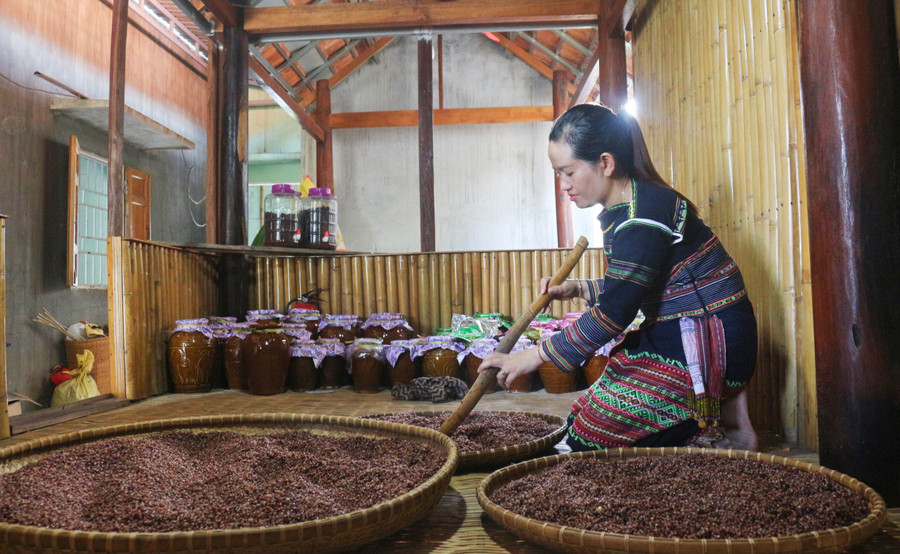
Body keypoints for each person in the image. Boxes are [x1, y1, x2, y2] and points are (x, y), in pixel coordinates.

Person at [478, 103, 758, 451]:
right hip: (675, 329)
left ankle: (714, 427)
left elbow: (615, 313)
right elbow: (640, 285)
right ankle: (723, 416)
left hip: (708, 336)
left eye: (568, 172)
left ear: (606, 164)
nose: (564, 185)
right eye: (558, 174)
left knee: (590, 441)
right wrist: (578, 288)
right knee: (579, 424)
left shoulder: (643, 215)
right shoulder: (629, 207)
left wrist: (534, 355)